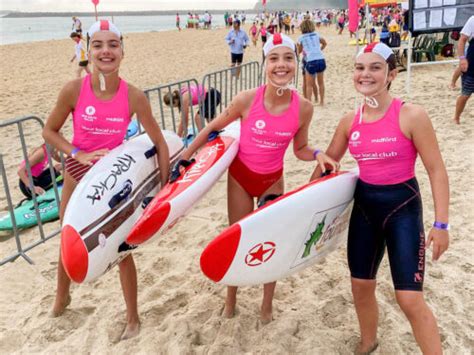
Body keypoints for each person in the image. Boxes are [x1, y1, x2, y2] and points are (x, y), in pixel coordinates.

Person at [176, 33, 338, 324]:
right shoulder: (246, 99)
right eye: (274, 58)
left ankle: (266, 305)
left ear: (296, 62)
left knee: (270, 242)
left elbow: (299, 148)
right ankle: (231, 298)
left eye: (288, 58)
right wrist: (187, 156)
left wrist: (317, 154)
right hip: (240, 179)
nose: (281, 65)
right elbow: (213, 127)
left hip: (272, 182)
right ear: (265, 63)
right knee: (236, 239)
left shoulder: (303, 107)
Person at [310, 42, 449, 354]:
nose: (365, 74)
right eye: (360, 68)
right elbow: (328, 166)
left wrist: (442, 224)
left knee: (409, 298)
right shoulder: (349, 121)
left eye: (375, 67)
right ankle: (368, 340)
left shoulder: (411, 115)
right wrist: (302, 206)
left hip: (403, 209)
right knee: (360, 285)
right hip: (365, 209)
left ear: (391, 73)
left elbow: (437, 170)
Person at [42, 20, 170, 341]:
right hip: (76, 175)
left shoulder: (135, 97)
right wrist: (76, 153)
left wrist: (165, 186)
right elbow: (49, 131)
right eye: (98, 45)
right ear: (89, 51)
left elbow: (159, 142)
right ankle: (62, 296)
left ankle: (132, 317)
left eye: (113, 44)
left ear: (122, 52)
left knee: (122, 251)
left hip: (112, 181)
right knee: (66, 239)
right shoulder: (73, 90)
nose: (105, 51)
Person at [297, 19, 327, 105]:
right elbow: (325, 43)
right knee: (321, 83)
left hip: (310, 61)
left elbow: (299, 51)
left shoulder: (301, 38)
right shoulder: (317, 35)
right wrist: (319, 50)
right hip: (321, 59)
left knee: (309, 85)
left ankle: (309, 102)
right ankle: (321, 101)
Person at [453, 15, 474, 124]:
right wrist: (462, 58)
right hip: (472, 64)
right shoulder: (472, 19)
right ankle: (456, 117)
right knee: (465, 95)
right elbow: (462, 40)